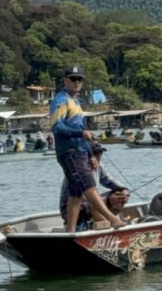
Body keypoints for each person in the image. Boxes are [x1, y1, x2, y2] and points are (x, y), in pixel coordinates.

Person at [50, 65, 125, 232]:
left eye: (80, 79)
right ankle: (112, 219)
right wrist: (80, 133)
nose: (77, 82)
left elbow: (81, 128)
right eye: (73, 79)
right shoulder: (61, 100)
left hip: (81, 151)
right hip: (70, 152)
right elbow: (56, 127)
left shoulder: (75, 101)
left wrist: (91, 153)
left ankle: (70, 232)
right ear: (65, 80)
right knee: (89, 186)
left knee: (75, 194)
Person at [59, 143, 129, 231]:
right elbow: (84, 196)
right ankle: (109, 225)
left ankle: (111, 222)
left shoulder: (98, 167)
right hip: (73, 208)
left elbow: (110, 181)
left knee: (119, 195)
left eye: (99, 155)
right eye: (95, 155)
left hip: (89, 203)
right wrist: (106, 199)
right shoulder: (79, 170)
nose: (98, 159)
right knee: (98, 200)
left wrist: (124, 190)